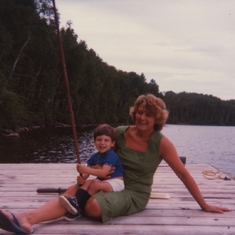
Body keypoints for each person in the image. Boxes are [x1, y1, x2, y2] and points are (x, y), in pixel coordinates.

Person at [0, 93, 231, 234]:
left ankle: (41, 215)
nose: (142, 117)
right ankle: (25, 218)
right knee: (73, 191)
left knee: (91, 206)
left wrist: (204, 204)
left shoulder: (162, 143)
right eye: (139, 112)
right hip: (109, 183)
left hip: (134, 193)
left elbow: (182, 174)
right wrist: (87, 176)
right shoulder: (119, 134)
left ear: (157, 118)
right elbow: (103, 158)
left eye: (148, 114)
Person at [60, 124, 124, 221]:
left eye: (106, 140)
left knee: (94, 184)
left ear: (112, 143)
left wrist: (86, 169)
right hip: (103, 182)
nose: (102, 143)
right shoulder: (94, 157)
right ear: (94, 142)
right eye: (99, 140)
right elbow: (86, 173)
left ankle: (78, 206)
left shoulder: (111, 155)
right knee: (87, 182)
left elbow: (103, 173)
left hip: (116, 182)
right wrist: (82, 178)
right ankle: (76, 203)